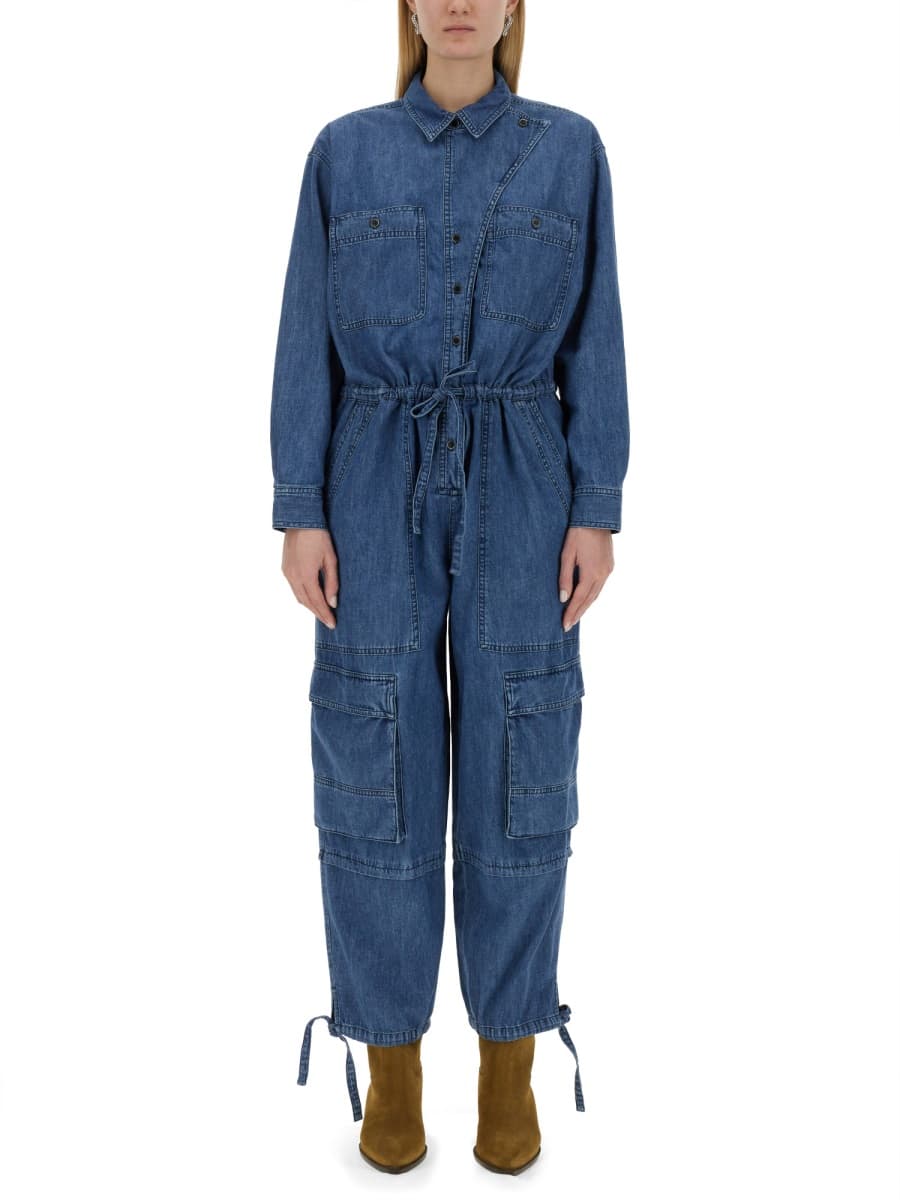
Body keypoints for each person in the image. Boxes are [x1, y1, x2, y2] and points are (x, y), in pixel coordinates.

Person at [270, 0, 629, 1174]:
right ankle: (393, 1063)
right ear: (410, 7)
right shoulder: (344, 152)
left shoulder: (571, 149)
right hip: (371, 482)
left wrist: (596, 505)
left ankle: (510, 1059)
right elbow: (305, 338)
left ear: (516, 6)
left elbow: (596, 338)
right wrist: (301, 508)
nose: (461, 2)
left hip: (525, 481)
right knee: (373, 762)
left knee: (524, 760)